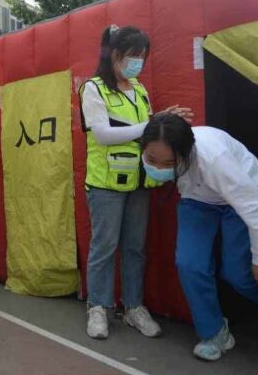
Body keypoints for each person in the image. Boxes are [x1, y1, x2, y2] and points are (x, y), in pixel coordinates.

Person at [140, 114, 258, 361]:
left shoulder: (213, 160)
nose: (158, 168)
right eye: (151, 160)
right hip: (199, 199)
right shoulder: (160, 148)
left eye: (168, 163)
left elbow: (255, 207)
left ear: (186, 153)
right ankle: (214, 333)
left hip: (245, 198)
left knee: (240, 275)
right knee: (189, 264)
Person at [78, 25, 191, 340]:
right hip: (105, 185)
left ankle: (133, 307)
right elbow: (102, 134)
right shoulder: (93, 88)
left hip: (139, 182)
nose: (138, 62)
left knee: (135, 248)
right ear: (114, 55)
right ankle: (98, 307)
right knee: (104, 247)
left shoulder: (139, 89)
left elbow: (149, 131)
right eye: (133, 56)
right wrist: (149, 124)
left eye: (142, 56)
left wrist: (164, 120)